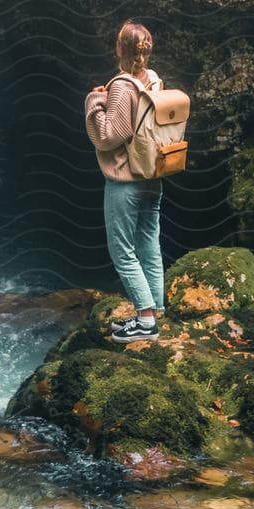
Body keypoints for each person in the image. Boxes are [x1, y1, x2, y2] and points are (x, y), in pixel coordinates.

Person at [85, 21, 165, 343]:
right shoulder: (154, 80)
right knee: (149, 243)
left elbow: (108, 137)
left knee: (123, 250)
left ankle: (145, 321)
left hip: (126, 180)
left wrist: (94, 101)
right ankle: (156, 310)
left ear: (120, 49)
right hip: (153, 175)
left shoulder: (121, 85)